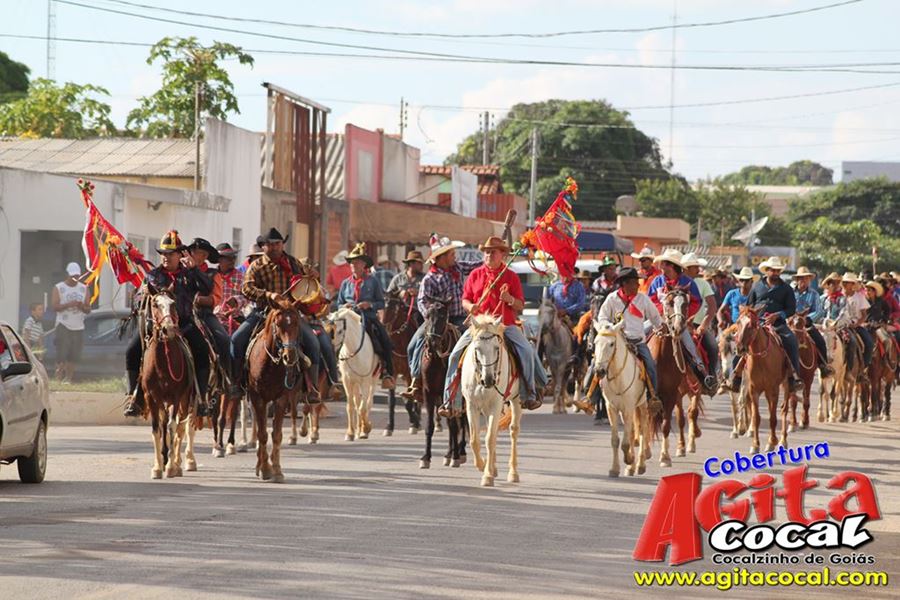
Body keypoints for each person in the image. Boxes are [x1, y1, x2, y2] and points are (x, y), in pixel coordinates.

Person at [441, 236, 547, 415]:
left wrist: (509, 299)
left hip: (504, 325)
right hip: (479, 327)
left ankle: (529, 393)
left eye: (493, 252)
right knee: (454, 355)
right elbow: (465, 299)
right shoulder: (475, 274)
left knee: (527, 352)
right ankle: (451, 400)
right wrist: (470, 307)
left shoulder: (511, 276)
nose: (489, 255)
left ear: (502, 255)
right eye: (486, 252)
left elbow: (520, 305)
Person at [123, 231, 214, 417]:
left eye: (170, 253)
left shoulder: (190, 275)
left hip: (184, 324)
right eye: (163, 253)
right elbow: (138, 298)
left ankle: (201, 398)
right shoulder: (152, 276)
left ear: (180, 255)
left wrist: (195, 269)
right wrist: (142, 298)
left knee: (202, 349)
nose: (166, 257)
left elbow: (207, 288)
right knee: (131, 351)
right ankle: (133, 397)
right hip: (156, 325)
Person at [230, 228, 321, 398]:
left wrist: (314, 277)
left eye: (277, 244)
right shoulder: (256, 266)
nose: (274, 247)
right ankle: (237, 382)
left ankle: (312, 388)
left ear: (282, 244)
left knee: (313, 343)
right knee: (237, 339)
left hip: (290, 315)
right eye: (270, 245)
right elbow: (246, 289)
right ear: (263, 247)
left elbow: (307, 285)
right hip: (263, 312)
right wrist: (268, 295)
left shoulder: (294, 263)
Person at [402, 235, 482, 400]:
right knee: (413, 345)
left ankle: (479, 376)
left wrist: (489, 256)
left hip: (460, 318)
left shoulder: (457, 267)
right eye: (451, 254)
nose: (454, 256)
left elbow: (477, 265)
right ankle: (416, 381)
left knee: (478, 341)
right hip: (437, 321)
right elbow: (422, 301)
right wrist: (430, 315)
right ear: (442, 258)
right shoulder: (430, 279)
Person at [647, 249, 717, 391]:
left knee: (690, 346)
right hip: (658, 320)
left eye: (664, 263)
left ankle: (703, 375)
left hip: (679, 321)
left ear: (672, 266)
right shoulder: (657, 281)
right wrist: (661, 313)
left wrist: (682, 316)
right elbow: (651, 300)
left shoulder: (688, 282)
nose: (661, 266)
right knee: (638, 335)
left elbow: (696, 302)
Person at [733, 256, 803, 393]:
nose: (775, 273)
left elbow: (791, 309)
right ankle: (735, 376)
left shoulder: (786, 289)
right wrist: (751, 317)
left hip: (778, 324)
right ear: (767, 270)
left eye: (777, 270)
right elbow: (749, 306)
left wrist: (778, 315)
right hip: (756, 323)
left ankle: (794, 378)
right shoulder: (757, 286)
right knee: (741, 341)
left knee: (791, 340)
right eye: (772, 270)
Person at [595, 267, 663, 407]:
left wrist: (661, 327)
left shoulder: (643, 299)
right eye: (633, 282)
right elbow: (602, 317)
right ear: (624, 284)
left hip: (637, 342)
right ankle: (590, 397)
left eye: (637, 282)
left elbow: (655, 317)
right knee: (597, 364)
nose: (637, 285)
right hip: (617, 342)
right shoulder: (612, 299)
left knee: (651, 366)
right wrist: (610, 327)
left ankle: (652, 397)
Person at [336, 243, 396, 389]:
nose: (353, 265)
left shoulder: (373, 281)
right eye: (351, 262)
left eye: (357, 262)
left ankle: (387, 373)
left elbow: (381, 303)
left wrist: (369, 305)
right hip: (348, 319)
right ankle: (333, 373)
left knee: (385, 340)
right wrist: (344, 306)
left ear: (364, 265)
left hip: (368, 318)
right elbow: (339, 304)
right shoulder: (345, 283)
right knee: (333, 338)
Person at [186, 238, 232, 390]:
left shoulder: (213, 274)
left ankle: (224, 379)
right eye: (192, 251)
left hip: (204, 314)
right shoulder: (182, 270)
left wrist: (198, 300)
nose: (192, 254)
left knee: (224, 339)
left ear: (205, 256)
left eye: (197, 252)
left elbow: (216, 299)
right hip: (183, 314)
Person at [682, 253, 720, 383]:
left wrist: (704, 325)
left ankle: (711, 378)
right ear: (686, 268)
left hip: (698, 325)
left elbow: (712, 306)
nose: (698, 270)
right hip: (677, 325)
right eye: (695, 267)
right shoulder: (677, 283)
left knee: (713, 347)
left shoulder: (703, 284)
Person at [51, 262, 91, 382]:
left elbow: (88, 309)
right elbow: (55, 306)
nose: (75, 278)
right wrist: (68, 304)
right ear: (67, 274)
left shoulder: (84, 288)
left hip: (78, 326)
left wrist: (81, 306)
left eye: (77, 276)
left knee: (73, 355)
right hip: (63, 325)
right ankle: (58, 378)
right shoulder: (59, 287)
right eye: (72, 276)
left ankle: (68, 379)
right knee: (61, 354)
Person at [792, 266, 832, 377]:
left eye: (806, 278)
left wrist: (806, 319)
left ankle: (823, 366)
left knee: (820, 341)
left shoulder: (814, 294)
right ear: (797, 280)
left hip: (807, 324)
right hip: (791, 324)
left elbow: (819, 311)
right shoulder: (790, 292)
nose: (803, 281)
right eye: (801, 278)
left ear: (809, 280)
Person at [841, 272, 873, 375]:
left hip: (856, 326)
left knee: (869, 343)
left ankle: (863, 368)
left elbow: (864, 315)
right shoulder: (840, 296)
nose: (846, 284)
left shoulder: (859, 297)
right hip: (840, 325)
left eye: (848, 282)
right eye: (845, 282)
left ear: (853, 284)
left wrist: (856, 324)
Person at [213, 242, 247, 336]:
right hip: (215, 317)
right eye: (228, 258)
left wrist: (236, 301)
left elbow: (247, 297)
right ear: (219, 260)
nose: (232, 260)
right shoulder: (211, 276)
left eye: (233, 257)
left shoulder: (241, 276)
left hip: (236, 317)